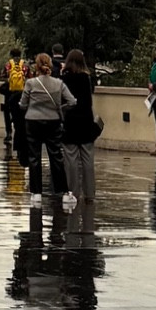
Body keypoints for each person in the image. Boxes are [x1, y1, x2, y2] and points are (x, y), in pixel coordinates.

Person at [18, 52, 74, 208]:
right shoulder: (58, 83)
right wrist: (61, 110)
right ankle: (63, 191)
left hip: (33, 121)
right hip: (53, 121)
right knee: (56, 155)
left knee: (34, 157)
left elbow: (22, 104)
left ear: (36, 65)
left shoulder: (31, 83)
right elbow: (72, 101)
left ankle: (36, 193)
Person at [59, 48, 99, 205]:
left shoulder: (64, 79)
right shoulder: (86, 78)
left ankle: (72, 192)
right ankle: (90, 193)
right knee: (88, 159)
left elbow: (62, 101)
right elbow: (88, 102)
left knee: (71, 160)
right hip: (86, 122)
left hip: (70, 122)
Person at [2, 51, 27, 150]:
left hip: (10, 92)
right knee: (21, 114)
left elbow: (3, 75)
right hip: (22, 93)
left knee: (7, 112)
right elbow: (30, 76)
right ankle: (19, 131)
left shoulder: (8, 64)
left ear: (11, 55)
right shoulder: (25, 64)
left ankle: (8, 133)